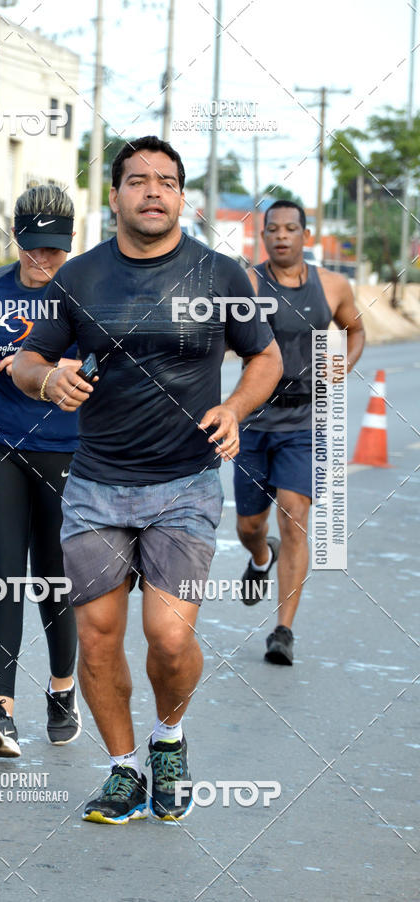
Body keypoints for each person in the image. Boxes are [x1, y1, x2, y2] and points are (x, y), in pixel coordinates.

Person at [12, 136, 283, 822]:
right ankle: (124, 769)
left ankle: (169, 738)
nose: (153, 190)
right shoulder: (80, 278)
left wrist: (235, 406)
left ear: (182, 196)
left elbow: (267, 359)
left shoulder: (222, 275)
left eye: (167, 180)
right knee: (99, 635)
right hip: (98, 484)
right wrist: (49, 379)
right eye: (138, 180)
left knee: (167, 636)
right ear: (115, 196)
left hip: (186, 483)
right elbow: (26, 359)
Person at [0, 185, 81, 757]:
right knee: (2, 576)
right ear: (17, 238)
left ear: (68, 245)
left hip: (66, 450)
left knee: (54, 578)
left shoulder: (83, 293)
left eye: (53, 250)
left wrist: (43, 368)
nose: (42, 261)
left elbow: (98, 365)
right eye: (33, 248)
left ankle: (61, 689)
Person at [233, 200, 365, 666]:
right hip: (254, 419)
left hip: (305, 421)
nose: (282, 236)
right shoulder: (247, 283)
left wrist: (341, 368)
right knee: (249, 525)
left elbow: (355, 332)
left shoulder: (332, 286)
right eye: (274, 229)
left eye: (292, 229)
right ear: (263, 236)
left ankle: (283, 630)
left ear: (306, 235)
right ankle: (259, 557)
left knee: (293, 514)